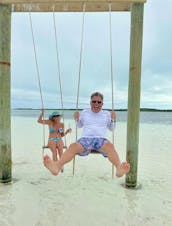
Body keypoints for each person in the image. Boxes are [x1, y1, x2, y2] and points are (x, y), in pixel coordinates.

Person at [43, 92, 130, 177]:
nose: (96, 104)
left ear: (102, 104)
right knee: (73, 146)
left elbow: (112, 128)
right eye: (94, 101)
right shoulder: (85, 112)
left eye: (99, 102)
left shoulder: (107, 114)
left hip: (101, 139)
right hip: (86, 139)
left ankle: (119, 168)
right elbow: (79, 126)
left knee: (110, 146)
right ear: (90, 102)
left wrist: (113, 119)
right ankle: (57, 166)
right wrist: (76, 119)